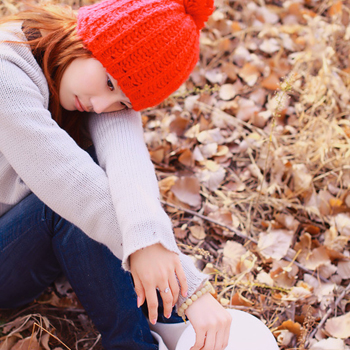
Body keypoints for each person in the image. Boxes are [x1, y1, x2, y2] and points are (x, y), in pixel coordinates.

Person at [0, 0, 232, 349]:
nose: (101, 106)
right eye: (110, 83)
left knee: (113, 189)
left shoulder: (85, 76)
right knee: (74, 200)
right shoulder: (6, 71)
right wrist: (193, 288)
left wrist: (156, 249)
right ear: (88, 41)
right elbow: (71, 183)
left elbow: (130, 170)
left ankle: (167, 320)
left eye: (123, 103)